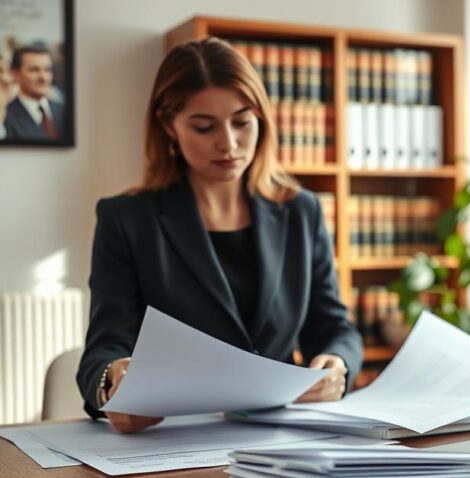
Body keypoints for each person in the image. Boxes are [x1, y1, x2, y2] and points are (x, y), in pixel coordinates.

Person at [76, 38, 362, 433]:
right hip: (174, 438)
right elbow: (106, 346)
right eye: (204, 126)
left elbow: (333, 327)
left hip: (283, 437)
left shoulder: (300, 211)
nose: (228, 143)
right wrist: (112, 383)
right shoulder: (126, 219)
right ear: (168, 125)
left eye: (243, 122)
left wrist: (337, 362)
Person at [0, 44, 64, 141]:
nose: (43, 77)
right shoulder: (5, 116)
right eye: (34, 70)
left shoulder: (63, 110)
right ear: (15, 74)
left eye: (47, 70)